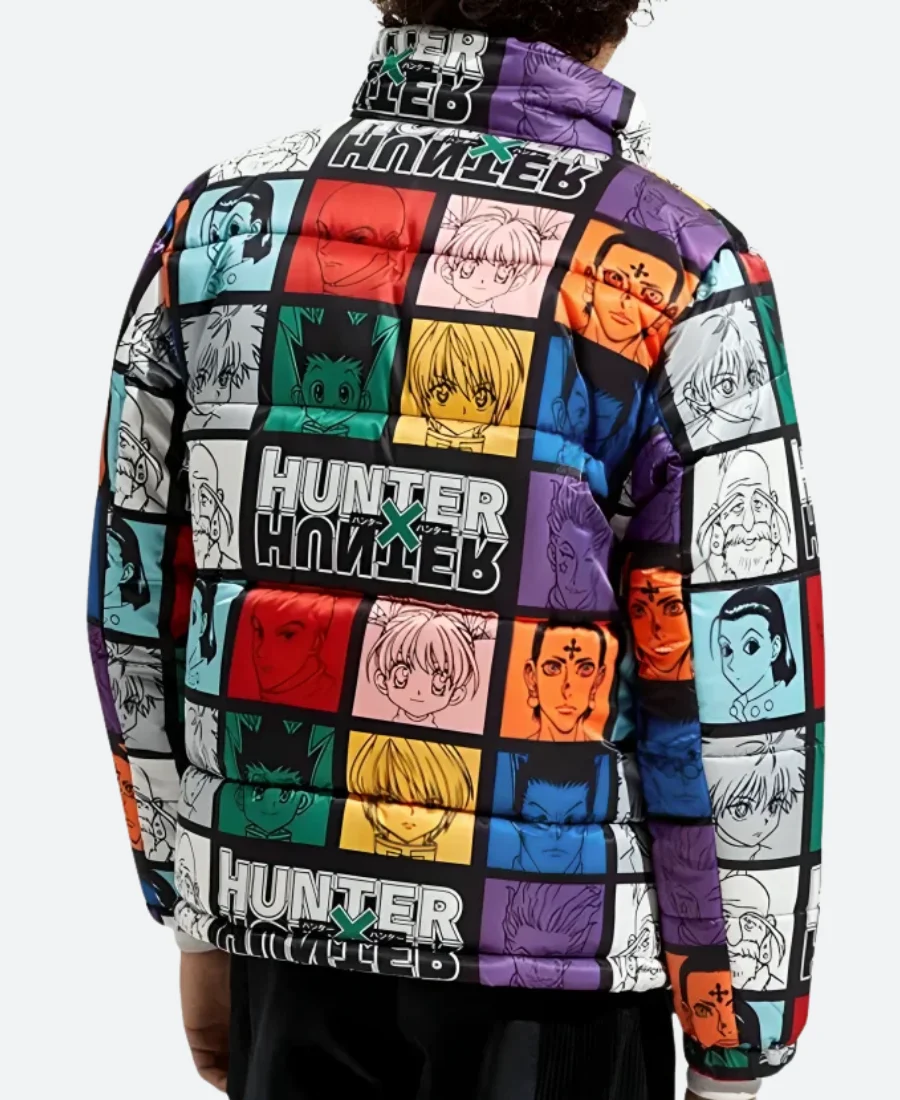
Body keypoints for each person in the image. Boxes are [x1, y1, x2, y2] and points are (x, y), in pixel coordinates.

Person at [87, 3, 824, 1100]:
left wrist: (193, 907)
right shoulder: (669, 267)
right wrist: (737, 1033)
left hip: (282, 931)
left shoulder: (226, 224)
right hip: (552, 967)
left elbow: (140, 595)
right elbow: (731, 695)